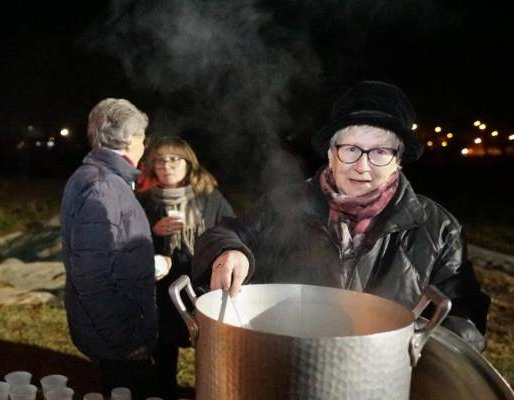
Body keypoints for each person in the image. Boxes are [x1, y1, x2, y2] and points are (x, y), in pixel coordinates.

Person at [192, 81, 490, 350]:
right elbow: (224, 232)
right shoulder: (284, 205)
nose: (362, 166)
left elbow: (463, 316)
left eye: (380, 152)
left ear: (398, 161)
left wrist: (431, 352)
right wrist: (230, 250)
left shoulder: (438, 228)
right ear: (331, 154)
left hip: (391, 381)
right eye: (351, 149)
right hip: (289, 364)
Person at [60, 98, 158, 398]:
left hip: (111, 329)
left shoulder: (101, 177)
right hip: (117, 337)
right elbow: (91, 275)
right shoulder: (103, 187)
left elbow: (108, 249)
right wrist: (126, 341)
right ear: (129, 140)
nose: (145, 144)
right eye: (143, 136)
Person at [136, 136, 234, 400]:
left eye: (174, 159)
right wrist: (153, 233)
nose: (167, 165)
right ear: (152, 166)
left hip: (199, 286)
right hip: (162, 291)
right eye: (160, 160)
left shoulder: (209, 198)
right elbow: (131, 242)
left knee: (209, 350)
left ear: (188, 163)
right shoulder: (145, 202)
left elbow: (231, 231)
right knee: (164, 349)